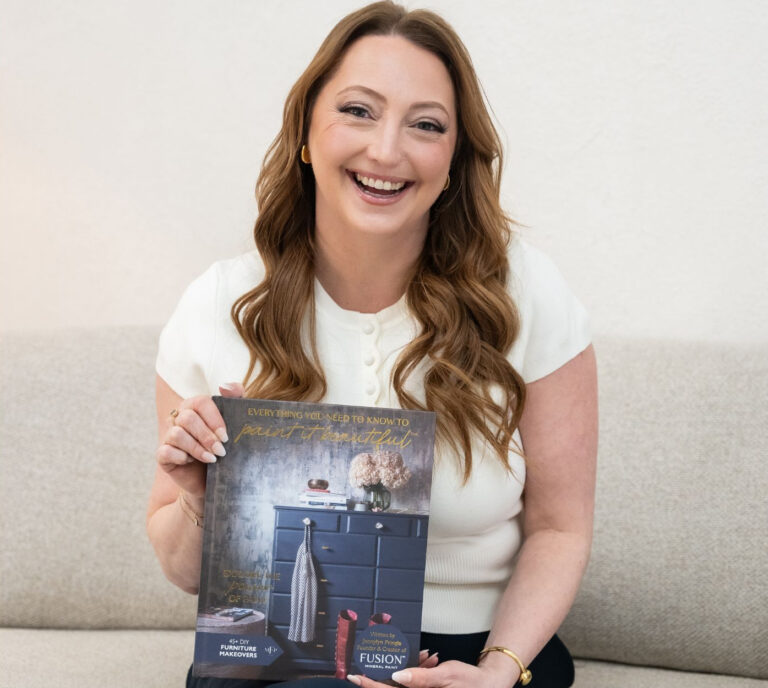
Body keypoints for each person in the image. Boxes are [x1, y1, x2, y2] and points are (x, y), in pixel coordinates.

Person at [147, 2, 597, 687]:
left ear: (454, 159)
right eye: (358, 111)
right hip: (281, 656)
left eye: (426, 124)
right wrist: (201, 500)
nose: (387, 151)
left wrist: (498, 670)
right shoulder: (217, 304)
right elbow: (184, 574)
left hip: (476, 653)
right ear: (305, 133)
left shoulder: (525, 293)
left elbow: (560, 530)